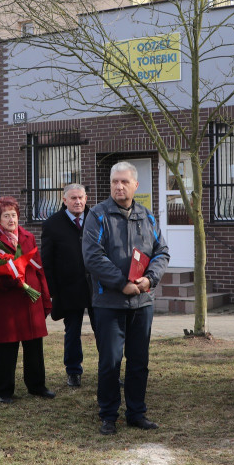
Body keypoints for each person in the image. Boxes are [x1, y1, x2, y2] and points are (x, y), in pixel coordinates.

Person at [83, 161, 170, 435]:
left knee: (139, 361)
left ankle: (136, 413)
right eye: (114, 182)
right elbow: (93, 256)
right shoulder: (97, 216)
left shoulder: (147, 216)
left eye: (124, 182)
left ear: (136, 185)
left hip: (142, 303)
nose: (118, 187)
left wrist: (149, 280)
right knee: (110, 362)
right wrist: (121, 284)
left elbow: (161, 252)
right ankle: (108, 415)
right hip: (109, 302)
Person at [0, 196, 53, 403]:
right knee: (6, 348)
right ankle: (4, 391)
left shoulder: (28, 237)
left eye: (14, 215)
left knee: (34, 347)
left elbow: (39, 269)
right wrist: (8, 281)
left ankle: (37, 386)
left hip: (30, 301)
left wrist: (45, 298)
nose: (12, 220)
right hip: (5, 303)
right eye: (6, 216)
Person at [41, 183, 94, 387]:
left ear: (86, 198)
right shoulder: (52, 224)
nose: (78, 201)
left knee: (104, 331)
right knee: (73, 332)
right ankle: (73, 372)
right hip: (69, 288)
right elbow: (47, 261)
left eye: (81, 197)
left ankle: (110, 371)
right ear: (64, 200)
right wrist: (53, 292)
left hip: (97, 287)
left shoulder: (97, 218)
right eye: (73, 198)